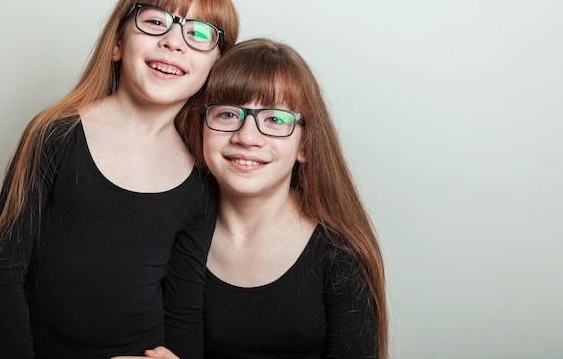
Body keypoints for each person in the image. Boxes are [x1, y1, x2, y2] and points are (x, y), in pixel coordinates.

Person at [0, 0, 239, 359]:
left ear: (214, 69)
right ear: (118, 44)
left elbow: (184, 307)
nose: (174, 42)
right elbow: (3, 271)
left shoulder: (200, 179)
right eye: (155, 22)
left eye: (199, 33)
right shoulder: (54, 133)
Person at [118, 38, 389, 359]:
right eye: (228, 114)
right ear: (200, 127)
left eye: (275, 120)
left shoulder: (341, 255)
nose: (247, 137)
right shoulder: (170, 236)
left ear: (305, 146)